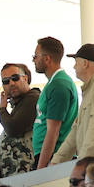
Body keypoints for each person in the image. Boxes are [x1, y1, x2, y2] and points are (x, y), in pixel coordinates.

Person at [32, 36, 79, 170]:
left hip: (55, 157)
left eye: (35, 56)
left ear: (47, 59)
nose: (33, 60)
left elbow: (54, 130)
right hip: (50, 155)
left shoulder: (59, 85)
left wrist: (40, 169)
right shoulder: (53, 83)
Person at [0, 62, 41, 176]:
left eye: (15, 78)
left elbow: (13, 128)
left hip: (27, 174)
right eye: (6, 81)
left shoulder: (33, 98)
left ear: (25, 78)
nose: (11, 83)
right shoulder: (19, 104)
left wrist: (2, 108)